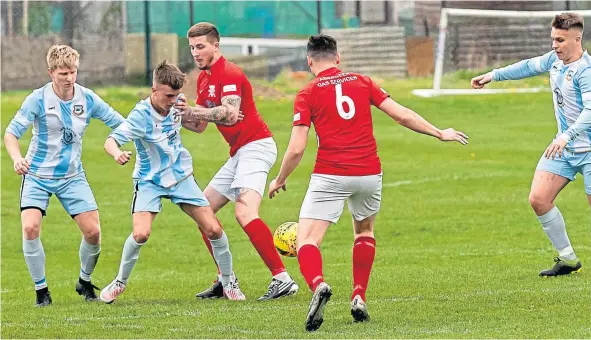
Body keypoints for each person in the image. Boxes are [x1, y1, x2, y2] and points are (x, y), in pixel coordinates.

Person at [268, 34, 468, 331]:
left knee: (308, 240)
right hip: (368, 174)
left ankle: (318, 285)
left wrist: (280, 178)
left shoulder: (307, 93)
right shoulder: (363, 81)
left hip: (331, 173)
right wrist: (439, 132)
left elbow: (297, 148)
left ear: (310, 61)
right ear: (338, 58)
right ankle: (359, 295)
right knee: (364, 231)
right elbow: (401, 115)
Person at [98, 60, 245, 303]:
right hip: (149, 181)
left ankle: (229, 282)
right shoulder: (140, 116)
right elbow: (110, 141)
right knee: (141, 234)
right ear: (154, 90)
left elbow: (198, 128)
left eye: (176, 95)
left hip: (181, 178)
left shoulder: (177, 104)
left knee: (214, 229)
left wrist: (190, 111)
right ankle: (119, 282)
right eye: (168, 95)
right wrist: (117, 154)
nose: (172, 100)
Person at [175, 22, 298, 301]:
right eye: (192, 47)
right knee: (202, 211)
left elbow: (230, 114)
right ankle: (225, 279)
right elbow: (200, 125)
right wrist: (174, 114)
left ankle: (282, 279)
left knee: (245, 213)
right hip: (239, 152)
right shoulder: (204, 80)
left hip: (257, 146)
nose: (195, 52)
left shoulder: (230, 73)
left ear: (216, 46)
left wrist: (196, 111)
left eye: (201, 46)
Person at [3, 44, 125, 307]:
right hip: (36, 174)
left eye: (73, 72)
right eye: (63, 74)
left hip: (72, 175)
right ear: (51, 73)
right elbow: (11, 134)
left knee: (93, 232)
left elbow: (119, 121)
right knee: (30, 227)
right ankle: (41, 292)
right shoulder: (37, 99)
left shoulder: (87, 98)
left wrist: (148, 123)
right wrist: (17, 159)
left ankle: (84, 281)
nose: (69, 78)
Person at [471, 12, 589, 277]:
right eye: (553, 39)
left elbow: (590, 111)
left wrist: (565, 136)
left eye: (560, 40)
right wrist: (493, 75)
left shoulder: (586, 72)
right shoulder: (554, 61)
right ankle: (568, 258)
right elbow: (526, 66)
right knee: (539, 199)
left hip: (586, 150)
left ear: (576, 39)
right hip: (563, 149)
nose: (554, 46)